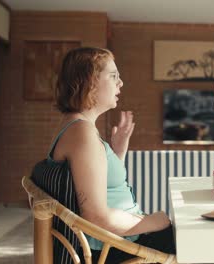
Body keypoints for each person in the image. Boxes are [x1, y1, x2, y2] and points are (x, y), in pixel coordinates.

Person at [50, 47, 175, 263]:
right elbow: (97, 216)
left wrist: (118, 151)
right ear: (90, 81)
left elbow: (101, 186)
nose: (121, 83)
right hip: (114, 245)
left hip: (117, 239)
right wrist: (155, 221)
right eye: (113, 76)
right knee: (206, 242)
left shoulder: (77, 128)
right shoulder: (82, 133)